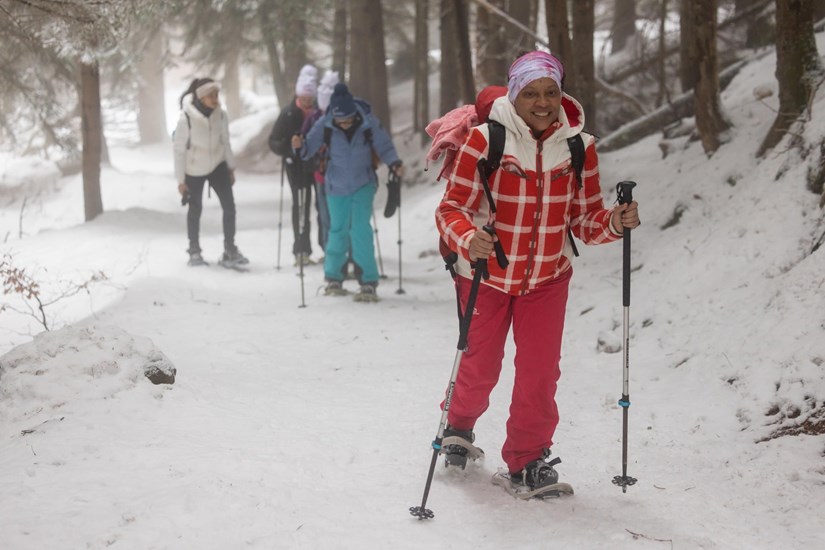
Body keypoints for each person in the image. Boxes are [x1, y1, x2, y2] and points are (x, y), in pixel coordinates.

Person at [434, 51, 640, 492]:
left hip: (548, 278)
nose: (542, 102)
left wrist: (614, 222)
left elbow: (584, 220)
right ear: (514, 94)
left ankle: (527, 459)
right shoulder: (486, 140)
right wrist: (469, 238)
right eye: (530, 93)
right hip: (485, 276)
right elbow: (451, 209)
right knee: (480, 365)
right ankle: (459, 427)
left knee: (540, 373)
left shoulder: (579, 145)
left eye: (550, 92)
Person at [293, 82, 403, 301]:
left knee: (360, 230)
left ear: (354, 115)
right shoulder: (325, 123)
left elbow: (384, 145)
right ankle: (334, 277)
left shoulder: (368, 122)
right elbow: (307, 149)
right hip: (335, 185)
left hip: (363, 183)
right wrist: (298, 145)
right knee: (337, 231)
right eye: (340, 121)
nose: (344, 124)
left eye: (348, 120)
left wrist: (394, 163)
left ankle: (368, 281)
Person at [173, 77, 247, 268]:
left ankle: (230, 248)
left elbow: (225, 141)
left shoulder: (221, 115)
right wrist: (181, 180)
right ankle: (194, 251)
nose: (215, 99)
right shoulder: (186, 118)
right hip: (194, 169)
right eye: (211, 95)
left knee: (229, 206)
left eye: (216, 94)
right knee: (195, 209)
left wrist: (230, 167)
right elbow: (179, 150)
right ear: (201, 97)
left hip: (218, 165)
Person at [268, 64, 321, 266]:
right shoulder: (288, 113)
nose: (307, 101)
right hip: (296, 167)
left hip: (318, 165)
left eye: (310, 98)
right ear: (298, 95)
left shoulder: (320, 112)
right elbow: (273, 141)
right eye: (304, 97)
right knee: (301, 207)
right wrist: (289, 149)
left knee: (322, 206)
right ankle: (301, 250)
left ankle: (327, 248)